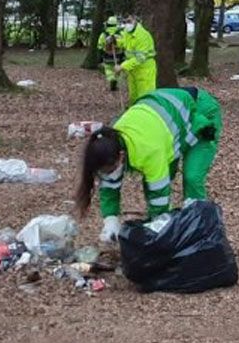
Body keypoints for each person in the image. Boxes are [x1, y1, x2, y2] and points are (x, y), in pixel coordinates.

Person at [74, 87, 223, 243]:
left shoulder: (148, 151)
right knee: (159, 177)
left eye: (110, 170)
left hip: (199, 113)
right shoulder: (109, 141)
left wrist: (159, 224)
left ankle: (199, 231)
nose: (109, 174)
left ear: (122, 156)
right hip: (165, 121)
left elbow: (159, 192)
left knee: (192, 176)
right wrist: (110, 220)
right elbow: (109, 185)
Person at [114, 14, 157, 103]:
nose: (127, 24)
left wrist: (122, 66)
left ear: (135, 21)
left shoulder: (143, 35)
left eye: (129, 21)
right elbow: (125, 43)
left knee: (145, 96)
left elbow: (140, 58)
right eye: (125, 22)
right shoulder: (127, 32)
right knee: (133, 96)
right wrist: (115, 41)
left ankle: (145, 115)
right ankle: (134, 113)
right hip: (133, 70)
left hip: (145, 70)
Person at [98, 16, 123, 92]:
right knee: (117, 70)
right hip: (119, 57)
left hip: (107, 57)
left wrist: (100, 57)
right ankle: (115, 81)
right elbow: (124, 44)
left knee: (108, 69)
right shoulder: (121, 33)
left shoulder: (103, 34)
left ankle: (111, 79)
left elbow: (99, 46)